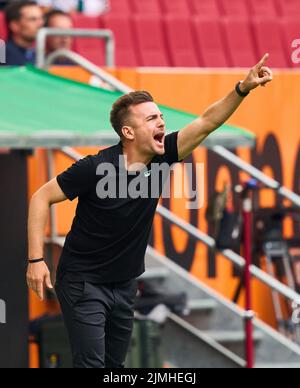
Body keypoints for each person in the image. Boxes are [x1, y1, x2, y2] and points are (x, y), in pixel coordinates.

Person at [27, 54, 273, 368]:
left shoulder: (163, 157)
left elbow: (207, 122)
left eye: (160, 116)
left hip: (126, 284)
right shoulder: (94, 167)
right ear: (128, 133)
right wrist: (36, 260)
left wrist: (242, 88)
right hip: (83, 282)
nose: (161, 122)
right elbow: (40, 197)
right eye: (151, 119)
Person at [3, 1, 44, 66]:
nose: (40, 23)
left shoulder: (41, 55)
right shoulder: (3, 55)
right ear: (15, 25)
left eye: (41, 18)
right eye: (33, 19)